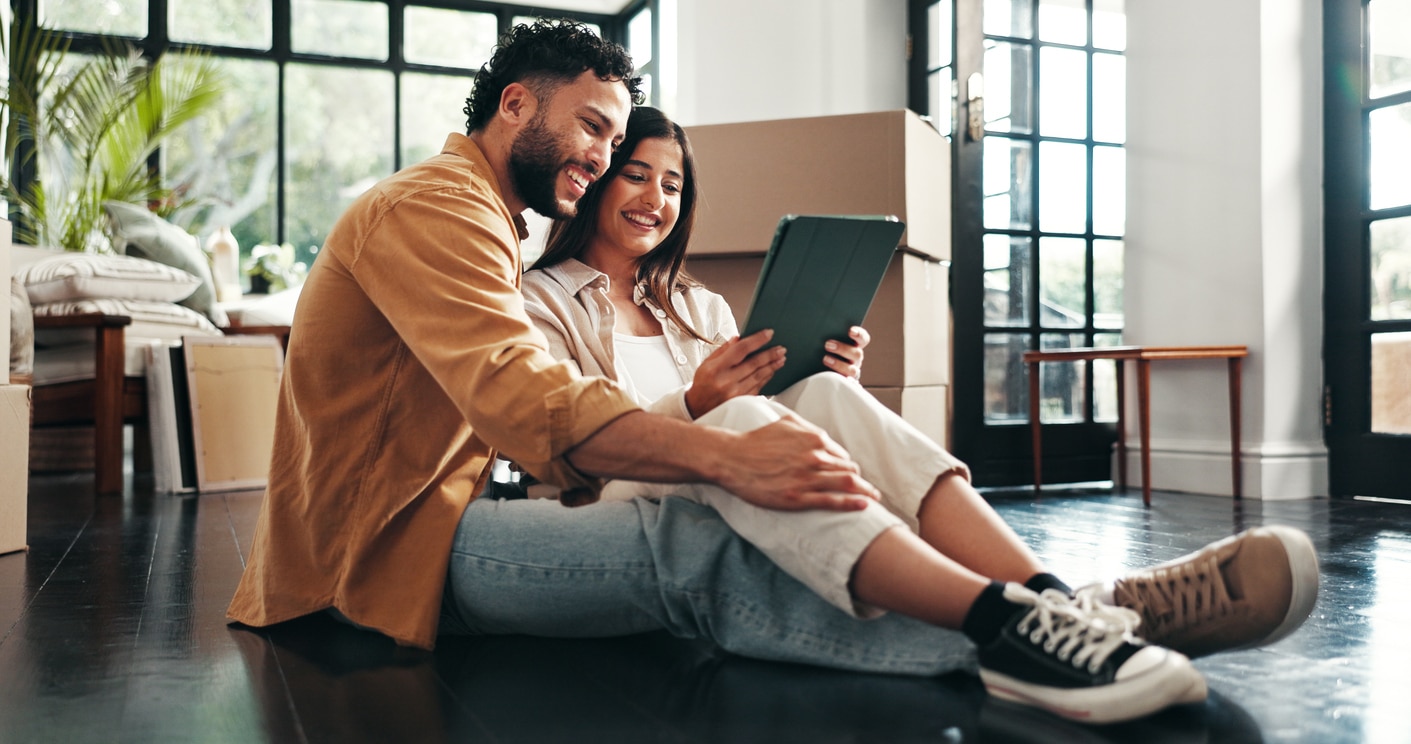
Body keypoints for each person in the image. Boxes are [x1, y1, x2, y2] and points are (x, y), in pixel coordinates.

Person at [226, 20, 1316, 726]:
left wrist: (756, 421)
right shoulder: (437, 207)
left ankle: (1050, 609)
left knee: (811, 402)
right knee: (706, 518)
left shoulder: (492, 225)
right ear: (517, 102)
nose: (608, 164)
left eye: (628, 151)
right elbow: (527, 404)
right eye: (598, 134)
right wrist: (723, 447)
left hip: (451, 519)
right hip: (385, 556)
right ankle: (1020, 630)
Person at [519, 105, 1321, 722]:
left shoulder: (700, 305)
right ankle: (1034, 622)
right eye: (637, 175)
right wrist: (698, 405)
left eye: (674, 184)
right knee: (731, 424)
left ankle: (1049, 602)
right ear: (594, 180)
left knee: (828, 394)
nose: (657, 199)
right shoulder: (538, 301)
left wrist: (817, 377)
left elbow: (768, 421)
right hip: (610, 498)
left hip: (740, 479)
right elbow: (564, 449)